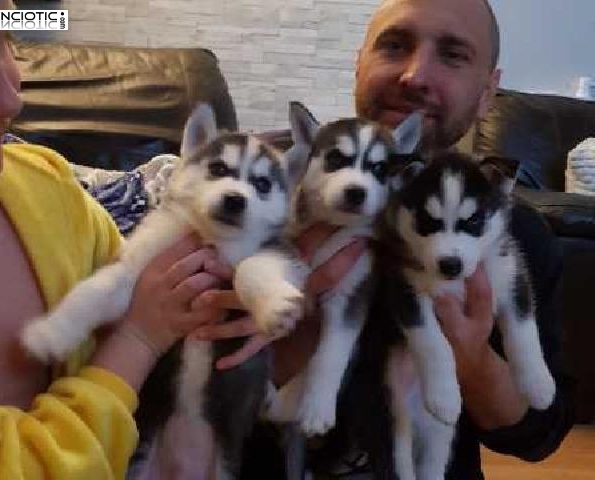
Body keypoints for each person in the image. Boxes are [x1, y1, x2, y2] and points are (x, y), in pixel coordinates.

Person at [192, 0, 573, 478]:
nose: (415, 75)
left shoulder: (510, 233)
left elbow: (540, 434)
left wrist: (471, 358)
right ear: (359, 63)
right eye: (394, 45)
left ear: (487, 92)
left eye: (453, 55)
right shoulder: (259, 189)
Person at [0, 1, 238, 478]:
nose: (9, 99)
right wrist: (138, 339)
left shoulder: (46, 183)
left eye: (8, 42)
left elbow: (144, 284)